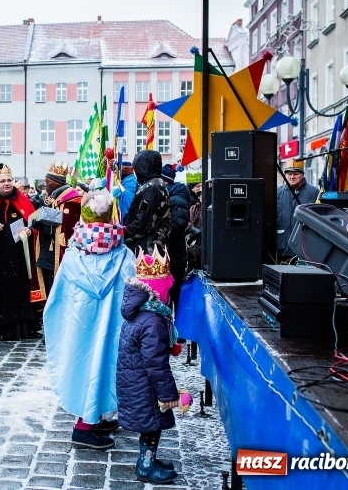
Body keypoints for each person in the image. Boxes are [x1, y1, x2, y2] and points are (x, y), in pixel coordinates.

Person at [43, 189, 135, 450]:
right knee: (106, 364)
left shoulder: (73, 254)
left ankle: (94, 417)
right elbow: (134, 290)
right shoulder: (123, 254)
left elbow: (59, 297)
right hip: (112, 325)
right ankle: (83, 428)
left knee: (85, 366)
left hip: (81, 325)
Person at [117, 247, 181, 484]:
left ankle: (148, 459)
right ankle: (146, 466)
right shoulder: (153, 321)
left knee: (151, 425)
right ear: (160, 291)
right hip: (145, 386)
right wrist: (168, 394)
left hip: (136, 381)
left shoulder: (141, 311)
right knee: (152, 425)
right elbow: (156, 364)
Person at [0, 162, 38, 341]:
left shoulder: (24, 201)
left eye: (9, 180)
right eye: (2, 181)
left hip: (19, 259)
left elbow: (35, 225)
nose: (6, 183)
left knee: (19, 292)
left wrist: (30, 231)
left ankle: (21, 329)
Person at [29, 162, 82, 298]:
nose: (45, 185)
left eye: (48, 182)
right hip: (47, 257)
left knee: (59, 294)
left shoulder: (73, 202)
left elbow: (66, 231)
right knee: (50, 293)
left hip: (60, 258)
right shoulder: (53, 199)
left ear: (57, 183)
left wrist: (42, 226)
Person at [123, 150, 171, 255]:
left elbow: (143, 221)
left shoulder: (152, 187)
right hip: (150, 244)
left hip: (147, 248)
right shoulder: (155, 184)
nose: (136, 171)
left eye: (137, 168)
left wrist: (124, 232)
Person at [160, 165, 193, 306]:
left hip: (174, 254)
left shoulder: (176, 198)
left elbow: (177, 225)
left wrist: (158, 228)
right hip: (172, 253)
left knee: (174, 291)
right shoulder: (169, 196)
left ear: (164, 181)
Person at [276, 160, 319, 261]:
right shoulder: (278, 192)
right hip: (282, 245)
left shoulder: (314, 192)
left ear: (302, 175)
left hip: (305, 247)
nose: (292, 177)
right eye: (289, 174)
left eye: (295, 174)